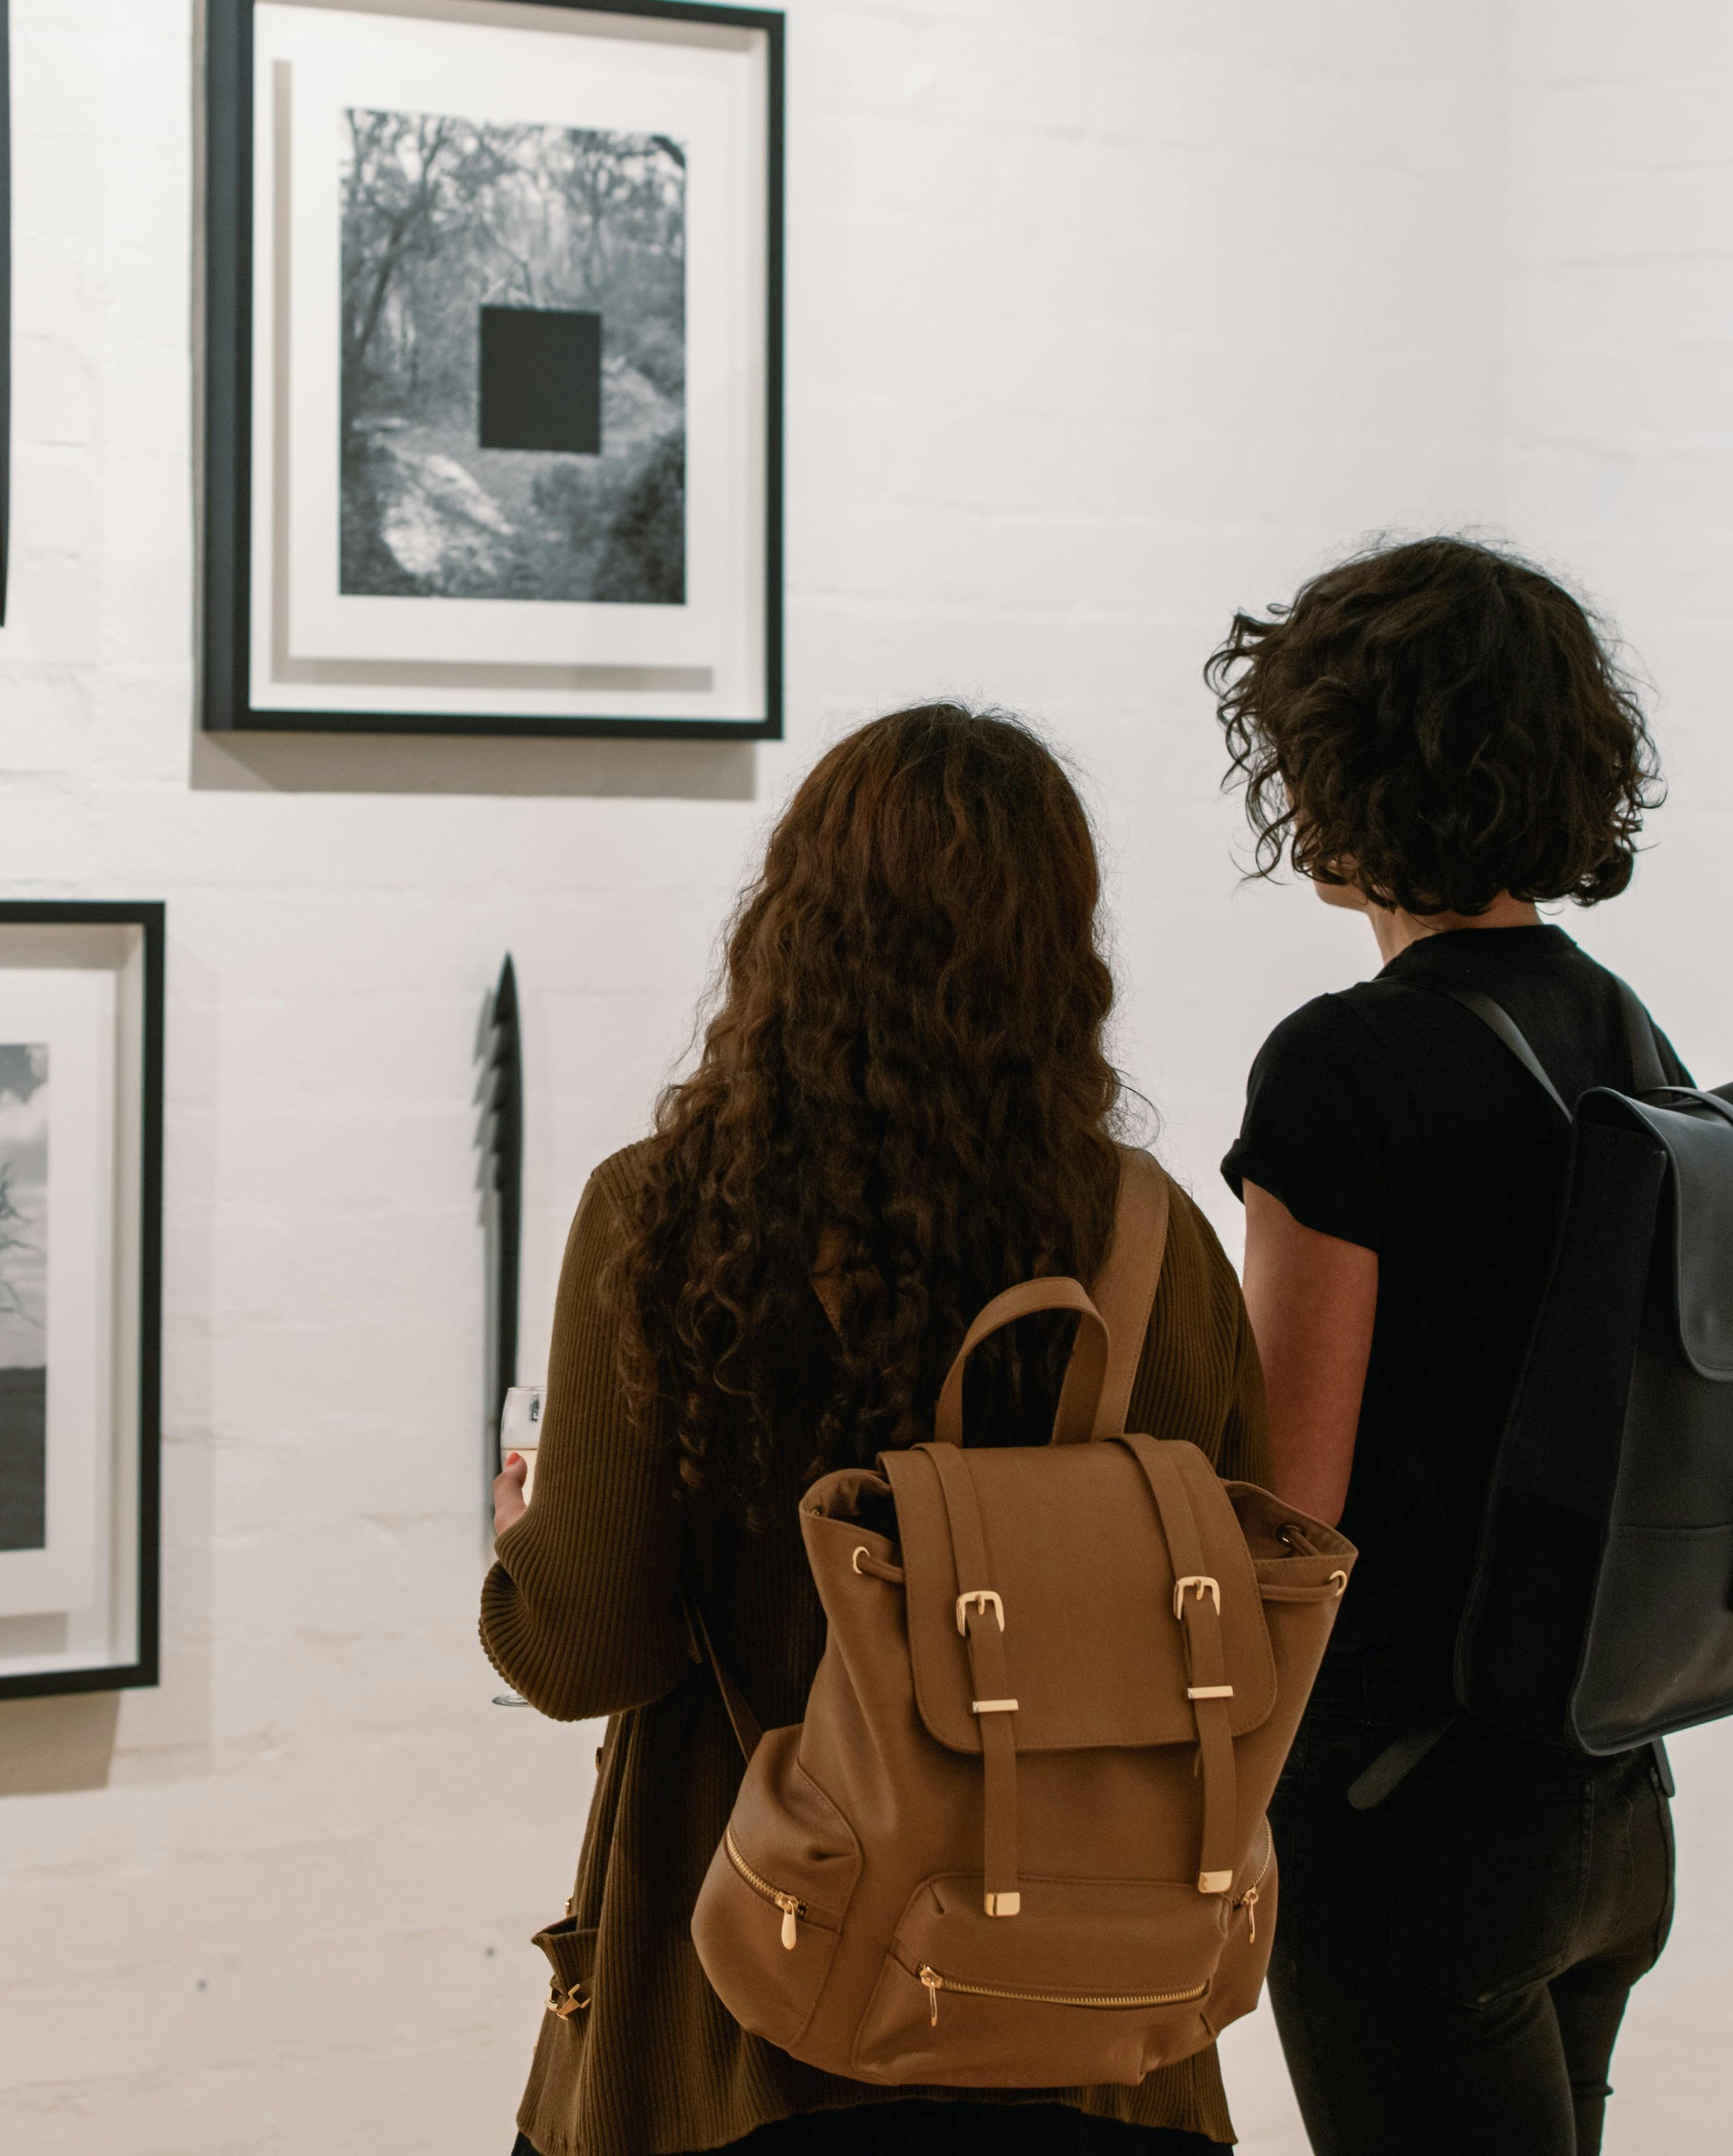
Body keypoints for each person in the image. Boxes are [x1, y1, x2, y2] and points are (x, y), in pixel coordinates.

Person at [481, 703, 1272, 2156]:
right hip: (1091, 2038)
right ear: (1063, 952)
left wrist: (526, 1538)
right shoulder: (1159, 1251)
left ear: (789, 926)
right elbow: (1236, 1630)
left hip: (733, 2036)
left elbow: (585, 1646)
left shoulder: (658, 1219)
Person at [1205, 536, 1674, 2156]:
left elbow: (1293, 1515)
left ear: (1347, 767)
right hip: (1611, 1796)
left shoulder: (1346, 1070)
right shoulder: (1626, 1031)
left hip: (1414, 1815)